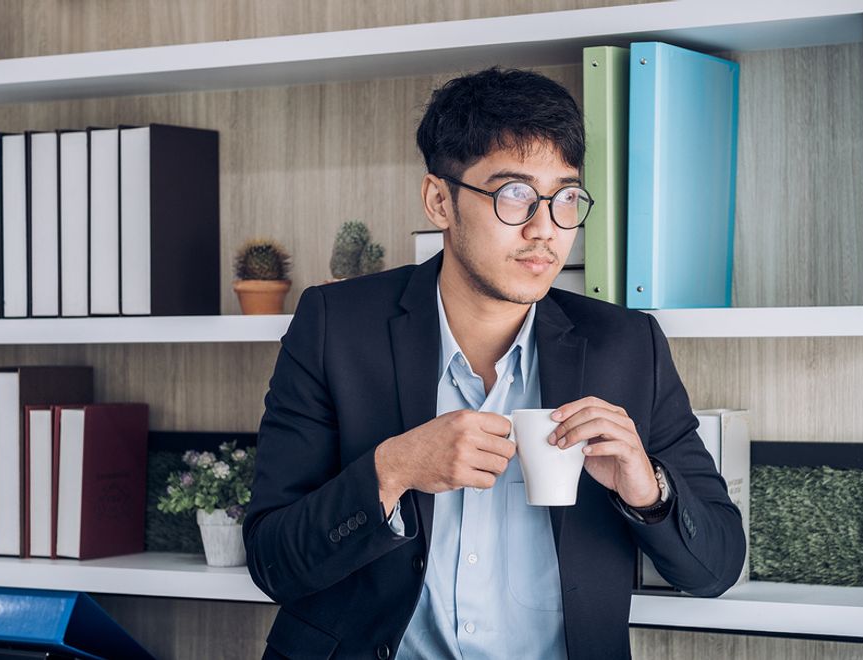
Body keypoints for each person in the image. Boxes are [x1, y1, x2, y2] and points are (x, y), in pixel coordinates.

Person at [244, 66, 745, 660]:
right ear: (439, 200)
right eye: (513, 195)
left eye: (564, 198)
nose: (545, 229)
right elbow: (274, 561)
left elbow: (715, 569)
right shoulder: (336, 325)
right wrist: (393, 469)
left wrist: (648, 489)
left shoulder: (627, 345)